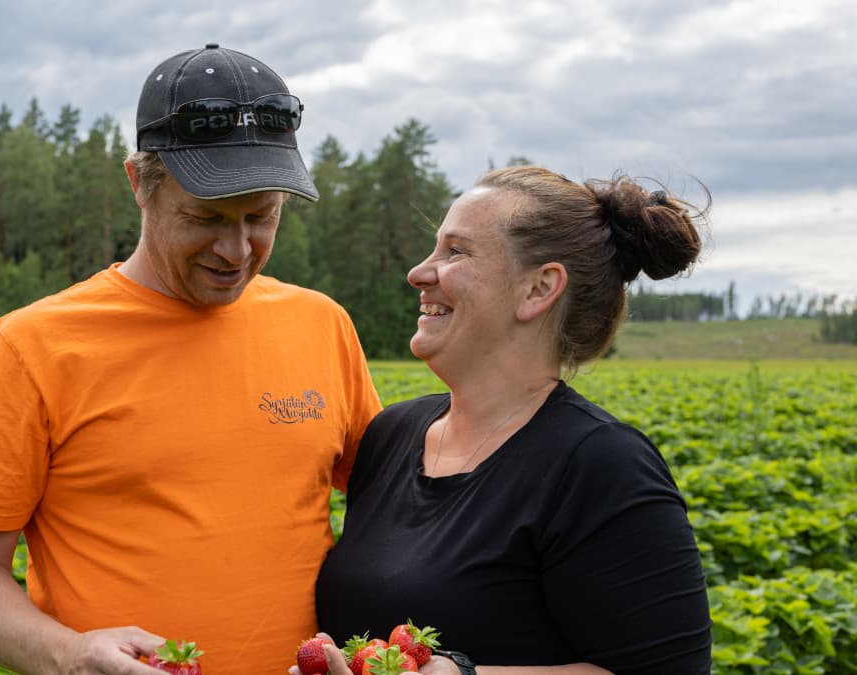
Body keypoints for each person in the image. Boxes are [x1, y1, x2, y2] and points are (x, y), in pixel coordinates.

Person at [0, 44, 383, 675]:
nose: (236, 249)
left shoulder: (321, 324)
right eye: (205, 218)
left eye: (261, 217)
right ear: (140, 183)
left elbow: (396, 512)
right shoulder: (36, 345)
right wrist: (69, 653)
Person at [306, 166, 713, 674]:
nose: (418, 272)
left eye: (455, 251)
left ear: (538, 289)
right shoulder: (393, 435)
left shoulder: (601, 465)